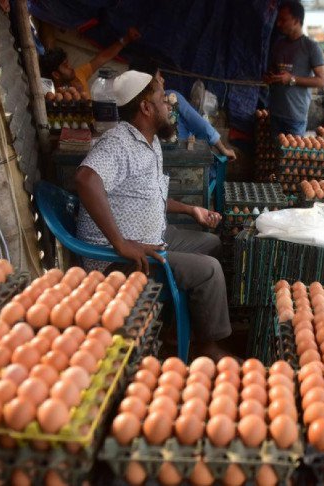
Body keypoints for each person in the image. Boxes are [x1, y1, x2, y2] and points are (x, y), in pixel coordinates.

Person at [74, 70, 232, 360]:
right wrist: (121, 243)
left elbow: (150, 196)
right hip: (120, 258)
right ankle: (207, 348)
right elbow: (86, 179)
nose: (170, 105)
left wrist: (190, 209)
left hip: (153, 237)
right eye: (163, 99)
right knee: (209, 270)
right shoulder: (119, 143)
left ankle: (178, 328)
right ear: (146, 108)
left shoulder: (150, 142)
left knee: (213, 243)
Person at [127, 57, 237, 162]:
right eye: (159, 77)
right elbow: (202, 126)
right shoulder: (171, 97)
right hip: (178, 159)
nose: (163, 80)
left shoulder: (131, 107)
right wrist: (224, 150)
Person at [264, 1, 324, 136]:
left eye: (283, 20)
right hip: (275, 113)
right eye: (278, 19)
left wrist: (291, 79)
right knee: (275, 155)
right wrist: (270, 77)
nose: (278, 23)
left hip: (295, 117)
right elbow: (274, 71)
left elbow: (321, 81)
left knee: (291, 156)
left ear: (296, 21)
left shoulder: (311, 47)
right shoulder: (278, 45)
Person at [39, 27, 141, 98]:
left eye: (68, 63)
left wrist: (126, 39)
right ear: (56, 74)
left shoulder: (79, 74)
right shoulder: (55, 94)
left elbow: (103, 57)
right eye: (65, 66)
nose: (70, 67)